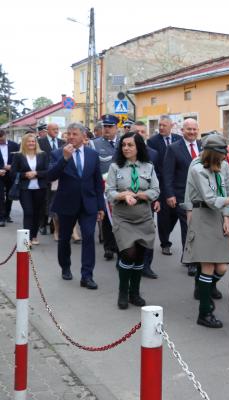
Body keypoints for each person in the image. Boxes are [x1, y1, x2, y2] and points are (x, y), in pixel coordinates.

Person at [183, 134, 229, 328]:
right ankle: (205, 312)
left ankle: (204, 289)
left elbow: (226, 191)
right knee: (207, 266)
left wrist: (227, 216)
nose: (225, 157)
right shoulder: (198, 169)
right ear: (213, 153)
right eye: (222, 153)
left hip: (218, 216)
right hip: (203, 216)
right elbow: (210, 199)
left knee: (221, 267)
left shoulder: (222, 167)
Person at [105, 131, 159, 309]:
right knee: (128, 254)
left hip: (143, 216)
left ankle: (134, 293)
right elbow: (109, 191)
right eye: (123, 145)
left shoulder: (148, 167)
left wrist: (141, 195)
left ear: (138, 147)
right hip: (123, 217)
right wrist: (123, 195)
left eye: (130, 145)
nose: (126, 148)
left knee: (140, 255)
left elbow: (156, 190)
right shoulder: (115, 167)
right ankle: (123, 292)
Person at [47, 122, 104, 289]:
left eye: (75, 134)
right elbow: (50, 176)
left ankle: (87, 276)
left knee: (88, 237)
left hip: (88, 203)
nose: (71, 137)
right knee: (64, 238)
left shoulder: (92, 154)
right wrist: (64, 159)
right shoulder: (58, 153)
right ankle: (65, 267)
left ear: (83, 136)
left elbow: (97, 182)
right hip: (66, 203)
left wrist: (100, 206)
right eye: (69, 134)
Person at [163, 118, 202, 276]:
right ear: (182, 130)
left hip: (202, 195)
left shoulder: (203, 146)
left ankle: (190, 255)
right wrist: (169, 194)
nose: (192, 132)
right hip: (182, 195)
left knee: (198, 227)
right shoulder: (173, 148)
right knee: (188, 226)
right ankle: (191, 260)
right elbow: (167, 173)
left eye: (194, 129)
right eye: (188, 129)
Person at [147, 115, 182, 257]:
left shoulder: (179, 139)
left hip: (177, 182)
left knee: (176, 214)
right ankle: (165, 243)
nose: (161, 127)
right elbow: (153, 163)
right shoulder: (152, 141)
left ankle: (166, 233)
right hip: (160, 183)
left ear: (171, 126)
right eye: (159, 125)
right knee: (163, 215)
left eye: (164, 125)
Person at [131, 121, 160, 279]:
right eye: (137, 132)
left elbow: (158, 177)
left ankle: (146, 265)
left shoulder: (153, 154)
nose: (140, 134)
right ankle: (127, 261)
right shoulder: (123, 151)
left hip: (147, 200)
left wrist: (157, 198)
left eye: (142, 132)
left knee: (148, 233)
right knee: (129, 234)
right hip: (127, 200)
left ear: (146, 134)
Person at [10, 133, 49, 245]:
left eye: (33, 141)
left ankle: (34, 236)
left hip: (40, 188)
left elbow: (47, 171)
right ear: (24, 143)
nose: (31, 143)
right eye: (29, 141)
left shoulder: (43, 154)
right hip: (24, 188)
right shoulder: (18, 156)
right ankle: (26, 239)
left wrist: (36, 173)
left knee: (37, 213)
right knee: (28, 212)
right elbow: (13, 173)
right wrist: (25, 175)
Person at [93, 114, 120, 260]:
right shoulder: (95, 144)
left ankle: (120, 245)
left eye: (110, 126)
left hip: (122, 186)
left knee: (120, 217)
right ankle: (109, 247)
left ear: (116, 127)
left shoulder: (124, 142)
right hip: (104, 188)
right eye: (105, 126)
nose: (107, 129)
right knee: (107, 218)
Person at [38, 123, 65, 236]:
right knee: (45, 200)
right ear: (47, 130)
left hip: (58, 176)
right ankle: (42, 224)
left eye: (57, 129)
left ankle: (54, 226)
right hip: (44, 175)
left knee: (56, 200)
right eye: (54, 129)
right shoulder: (40, 142)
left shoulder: (62, 142)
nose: (56, 131)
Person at [0, 129, 19, 227]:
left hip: (11, 174)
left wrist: (12, 166)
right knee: (0, 196)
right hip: (0, 174)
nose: (1, 141)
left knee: (9, 195)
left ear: (5, 136)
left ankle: (7, 214)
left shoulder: (14, 145)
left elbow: (19, 159)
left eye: (2, 139)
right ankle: (1, 217)